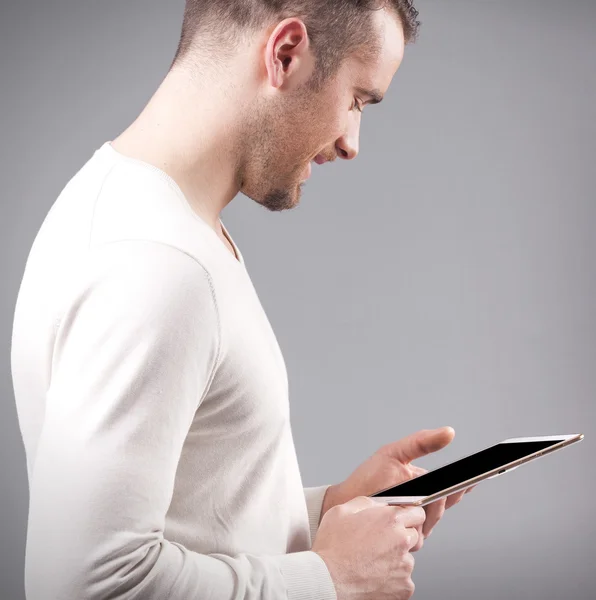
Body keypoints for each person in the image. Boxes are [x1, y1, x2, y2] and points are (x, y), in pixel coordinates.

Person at [11, 1, 475, 599]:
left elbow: (188, 515)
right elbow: (88, 584)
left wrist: (329, 513)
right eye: (357, 99)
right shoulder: (159, 264)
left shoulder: (140, 210)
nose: (351, 142)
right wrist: (331, 578)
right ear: (285, 53)